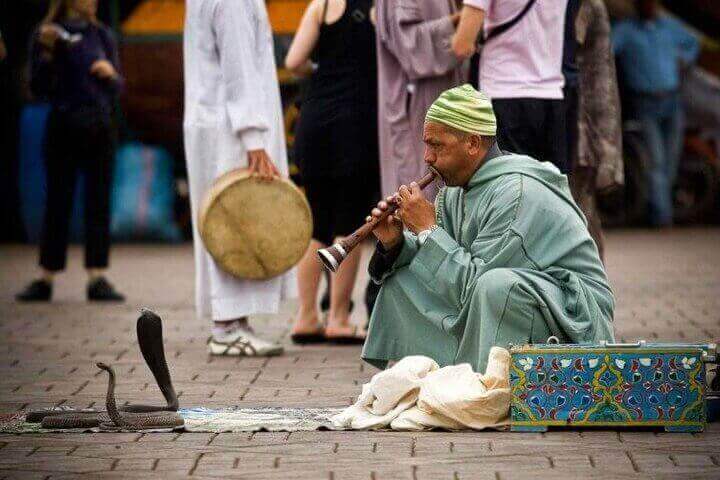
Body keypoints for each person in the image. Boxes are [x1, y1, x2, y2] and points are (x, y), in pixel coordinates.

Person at [362, 85, 615, 372]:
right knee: (403, 277)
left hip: (573, 317)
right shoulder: (454, 192)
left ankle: (487, 390)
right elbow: (447, 262)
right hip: (511, 299)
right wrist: (394, 243)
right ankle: (427, 379)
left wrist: (428, 230)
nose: (427, 158)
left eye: (437, 145)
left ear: (472, 143)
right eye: (426, 144)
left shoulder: (516, 193)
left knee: (494, 287)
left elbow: (475, 285)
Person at [184, 0, 295, 356]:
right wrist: (252, 136)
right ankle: (227, 326)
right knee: (232, 220)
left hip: (217, 122)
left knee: (225, 219)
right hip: (230, 130)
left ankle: (233, 321)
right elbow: (239, 70)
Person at [16, 0, 125, 303]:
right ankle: (46, 276)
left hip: (100, 127)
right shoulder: (47, 34)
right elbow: (38, 87)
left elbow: (118, 87)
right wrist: (49, 54)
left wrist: (110, 75)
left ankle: (97, 275)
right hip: (64, 123)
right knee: (58, 202)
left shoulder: (101, 35)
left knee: (98, 201)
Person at [284, 0, 379, 344]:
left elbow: (294, 62)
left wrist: (322, 68)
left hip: (313, 120)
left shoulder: (321, 5)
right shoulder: (378, 8)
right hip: (355, 122)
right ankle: (338, 317)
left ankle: (306, 316)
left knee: (318, 223)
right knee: (348, 223)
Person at [451, 0, 571, 173]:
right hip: (552, 95)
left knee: (509, 188)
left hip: (504, 94)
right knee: (551, 190)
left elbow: (461, 46)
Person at [612, 0, 699, 227]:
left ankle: (659, 210)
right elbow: (605, 48)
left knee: (670, 161)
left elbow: (693, 43)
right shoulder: (626, 31)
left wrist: (684, 60)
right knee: (656, 161)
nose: (648, 6)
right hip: (645, 103)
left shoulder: (669, 26)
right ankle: (662, 219)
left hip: (672, 101)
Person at [375, 0, 464, 202]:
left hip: (444, 102)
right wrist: (463, 18)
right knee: (418, 193)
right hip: (416, 107)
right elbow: (408, 45)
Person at [571, 0, 624, 260]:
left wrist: (608, 150)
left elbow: (604, 82)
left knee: (581, 220)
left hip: (580, 135)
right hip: (554, 127)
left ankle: (592, 295)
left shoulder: (589, 6)